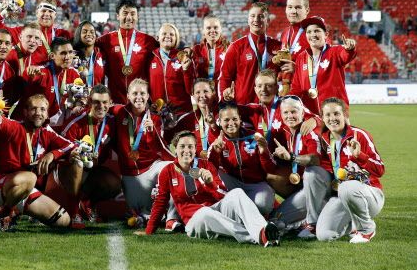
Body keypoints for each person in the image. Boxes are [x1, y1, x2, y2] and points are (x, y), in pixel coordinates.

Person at [134, 131, 280, 247]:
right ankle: (257, 236)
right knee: (204, 212)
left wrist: (210, 183)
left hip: (216, 209)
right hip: (194, 221)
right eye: (182, 146)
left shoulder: (205, 165)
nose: (186, 150)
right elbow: (160, 202)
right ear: (175, 149)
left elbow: (222, 195)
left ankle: (263, 230)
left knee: (237, 193)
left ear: (195, 148)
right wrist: (148, 231)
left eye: (190, 146)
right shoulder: (167, 171)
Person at [0, 94, 78, 231]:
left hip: (26, 188)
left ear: (47, 113)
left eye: (42, 109)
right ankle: (5, 214)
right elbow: (0, 123)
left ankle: (17, 210)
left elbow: (71, 146)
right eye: (33, 109)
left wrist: (52, 155)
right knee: (31, 177)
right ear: (25, 112)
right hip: (2, 187)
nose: (38, 113)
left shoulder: (46, 131)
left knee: (63, 220)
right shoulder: (15, 127)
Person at [316, 98, 385, 243]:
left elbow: (380, 169)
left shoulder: (359, 135)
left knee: (347, 186)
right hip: (342, 196)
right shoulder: (324, 140)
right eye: (327, 115)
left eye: (336, 114)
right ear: (322, 118)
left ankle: (367, 229)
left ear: (344, 115)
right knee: (324, 235)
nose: (332, 118)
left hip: (369, 194)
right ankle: (353, 225)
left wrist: (360, 156)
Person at [112, 78, 176, 227]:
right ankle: (150, 216)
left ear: (148, 96)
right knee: (136, 212)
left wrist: (151, 133)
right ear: (127, 95)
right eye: (134, 93)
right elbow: (101, 111)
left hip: (150, 169)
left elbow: (158, 149)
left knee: (172, 168)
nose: (138, 97)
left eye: (142, 93)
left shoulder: (155, 119)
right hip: (130, 175)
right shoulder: (118, 112)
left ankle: (171, 219)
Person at [59, 84, 121, 226]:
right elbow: (61, 152)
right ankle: (74, 211)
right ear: (89, 102)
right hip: (67, 170)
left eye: (105, 102)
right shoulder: (76, 123)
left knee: (115, 185)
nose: (101, 106)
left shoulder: (111, 122)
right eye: (96, 102)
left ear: (110, 103)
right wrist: (74, 154)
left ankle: (86, 203)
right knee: (78, 162)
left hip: (92, 170)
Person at [268, 96, 324, 237]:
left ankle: (313, 223)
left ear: (303, 113)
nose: (290, 116)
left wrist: (292, 157)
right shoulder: (286, 132)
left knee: (312, 172)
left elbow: (315, 159)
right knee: (275, 219)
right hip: (303, 188)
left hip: (319, 190)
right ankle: (301, 222)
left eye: (294, 112)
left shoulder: (309, 131)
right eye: (286, 113)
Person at [208, 103, 276, 215]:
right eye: (226, 120)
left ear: (240, 119)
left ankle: (244, 212)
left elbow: (270, 169)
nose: (231, 123)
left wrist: (264, 151)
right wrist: (215, 152)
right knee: (215, 174)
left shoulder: (254, 137)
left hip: (255, 184)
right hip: (233, 184)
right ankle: (239, 210)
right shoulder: (219, 141)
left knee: (263, 205)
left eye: (234, 119)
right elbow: (209, 167)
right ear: (219, 121)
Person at [218, 2, 285, 105]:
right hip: (244, 107)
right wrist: (225, 97)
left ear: (268, 21)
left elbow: (286, 75)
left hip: (271, 106)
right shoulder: (236, 47)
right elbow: (225, 77)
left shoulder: (278, 47)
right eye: (252, 16)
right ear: (248, 20)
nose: (256, 19)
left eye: (261, 16)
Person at [96, 0, 159, 104]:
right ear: (117, 16)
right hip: (114, 101)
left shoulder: (148, 40)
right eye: (125, 13)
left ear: (137, 16)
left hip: (140, 102)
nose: (129, 17)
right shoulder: (105, 40)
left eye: (133, 13)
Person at [290, 16, 356, 115]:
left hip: (334, 113)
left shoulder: (335, 52)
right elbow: (296, 87)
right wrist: (288, 101)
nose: (313, 34)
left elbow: (345, 56)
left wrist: (349, 49)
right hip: (310, 115)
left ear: (326, 34)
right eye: (309, 32)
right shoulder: (301, 57)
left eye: (317, 31)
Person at [148, 22, 196, 142]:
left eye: (172, 34)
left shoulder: (183, 57)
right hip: (159, 114)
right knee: (162, 152)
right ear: (158, 37)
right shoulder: (149, 58)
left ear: (176, 39)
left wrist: (186, 70)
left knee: (186, 150)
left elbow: (190, 89)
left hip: (183, 113)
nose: (168, 36)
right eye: (164, 33)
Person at [16, 37, 80, 126]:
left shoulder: (74, 73)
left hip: (53, 121)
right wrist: (29, 73)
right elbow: (28, 76)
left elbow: (79, 97)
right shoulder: (42, 71)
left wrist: (78, 104)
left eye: (70, 52)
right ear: (52, 56)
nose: (68, 57)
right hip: (30, 122)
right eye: (63, 53)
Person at [0, 0, 71, 66]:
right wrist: (1, 15)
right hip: (28, 79)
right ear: (36, 13)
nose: (47, 14)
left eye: (50, 11)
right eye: (43, 11)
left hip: (52, 80)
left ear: (55, 15)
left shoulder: (62, 34)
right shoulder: (23, 31)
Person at [191, 15, 230, 91]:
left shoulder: (230, 48)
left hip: (224, 94)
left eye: (215, 27)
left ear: (220, 29)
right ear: (203, 30)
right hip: (204, 95)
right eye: (208, 28)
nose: (212, 30)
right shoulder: (197, 50)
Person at [72, 20, 105, 87]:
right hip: (77, 96)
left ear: (95, 36)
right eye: (85, 32)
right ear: (79, 35)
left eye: (92, 32)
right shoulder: (71, 55)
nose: (89, 34)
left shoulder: (101, 54)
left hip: (97, 96)